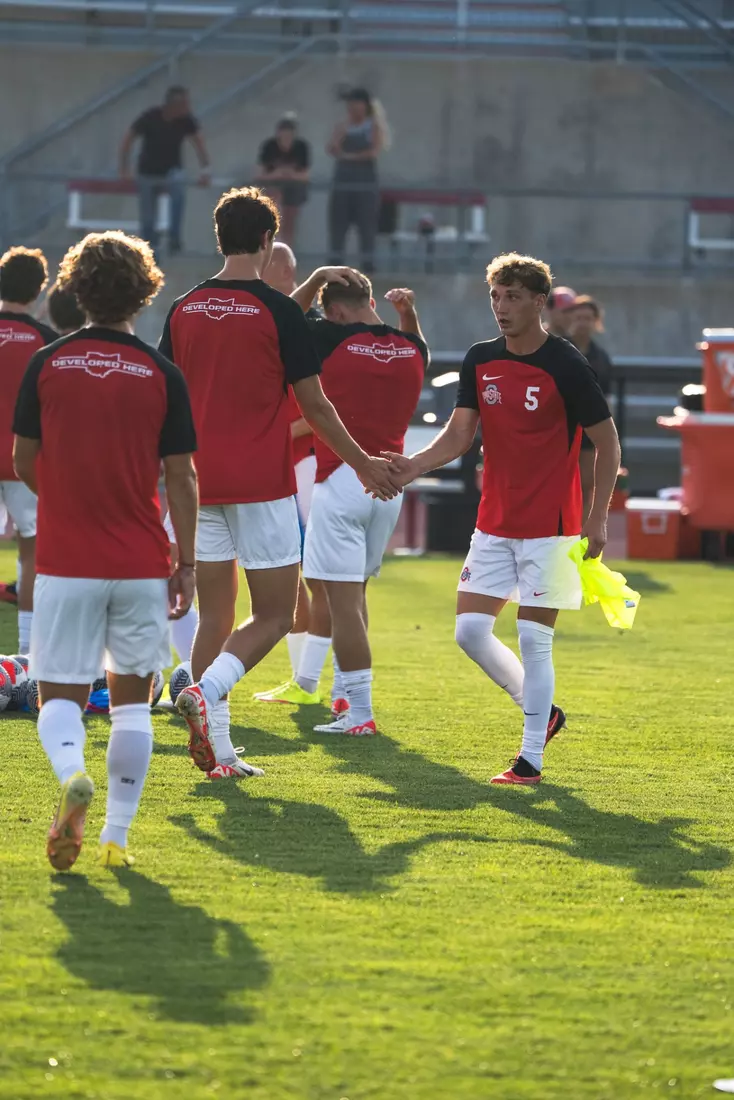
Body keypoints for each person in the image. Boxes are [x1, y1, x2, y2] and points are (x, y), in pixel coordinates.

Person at [159, 187, 399, 778]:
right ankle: (205, 692)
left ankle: (220, 750)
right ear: (269, 240)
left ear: (219, 237)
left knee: (216, 618)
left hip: (198, 481)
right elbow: (315, 406)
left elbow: (165, 400)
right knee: (271, 614)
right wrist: (365, 462)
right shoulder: (280, 312)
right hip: (262, 483)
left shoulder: (184, 308)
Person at [384, 253, 620, 784]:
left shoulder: (565, 363)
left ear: (540, 302)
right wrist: (412, 467)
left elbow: (606, 441)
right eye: (495, 296)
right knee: (470, 632)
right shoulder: (479, 358)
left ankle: (530, 757)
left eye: (513, 297)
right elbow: (460, 434)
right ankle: (545, 712)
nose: (501, 307)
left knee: (534, 640)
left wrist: (597, 518)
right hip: (494, 520)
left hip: (553, 526)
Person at [13, 230, 198, 870]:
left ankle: (72, 774)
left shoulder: (47, 363)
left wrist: (67, 499)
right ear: (144, 293)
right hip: (141, 560)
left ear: (77, 290)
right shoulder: (161, 374)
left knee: (58, 697)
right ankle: (117, 838)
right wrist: (188, 564)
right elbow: (182, 477)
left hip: (66, 559)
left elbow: (22, 460)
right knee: (131, 704)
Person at [259, 269, 427, 735]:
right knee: (354, 595)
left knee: (342, 603)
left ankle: (360, 712)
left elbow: (278, 319)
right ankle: (341, 695)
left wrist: (312, 279)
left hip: (343, 479)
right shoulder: (412, 348)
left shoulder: (328, 339)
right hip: (390, 486)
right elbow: (415, 344)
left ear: (332, 311)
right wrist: (408, 314)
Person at [0, 246, 56, 652]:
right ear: (40, 289)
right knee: (32, 551)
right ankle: (25, 653)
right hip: (25, 458)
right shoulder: (48, 342)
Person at [119, 86, 211, 255]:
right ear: (174, 106)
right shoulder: (150, 117)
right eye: (185, 104)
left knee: (178, 187)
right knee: (148, 216)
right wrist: (124, 169)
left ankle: (174, 236)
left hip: (171, 170)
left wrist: (205, 171)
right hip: (148, 171)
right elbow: (128, 139)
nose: (189, 108)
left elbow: (199, 144)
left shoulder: (186, 121)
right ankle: (149, 247)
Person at [327, 88, 390, 274]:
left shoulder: (373, 126)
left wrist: (351, 156)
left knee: (367, 225)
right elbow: (332, 148)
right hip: (342, 181)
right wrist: (342, 134)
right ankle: (334, 265)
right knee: (338, 223)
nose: (353, 108)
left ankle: (368, 265)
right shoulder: (343, 125)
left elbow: (373, 151)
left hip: (365, 182)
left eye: (357, 104)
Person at [567, 294, 615, 520]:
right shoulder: (561, 350)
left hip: (589, 426)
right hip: (560, 425)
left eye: (587, 318)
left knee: (586, 483)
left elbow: (605, 396)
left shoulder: (601, 357)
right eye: (578, 318)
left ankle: (581, 531)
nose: (582, 323)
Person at [256, 115, 311, 246]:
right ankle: (270, 250)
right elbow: (259, 174)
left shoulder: (301, 147)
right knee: (271, 221)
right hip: (273, 187)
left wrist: (289, 174)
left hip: (294, 189)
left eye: (289, 136)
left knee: (289, 222)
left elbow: (306, 176)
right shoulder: (269, 147)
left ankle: (286, 251)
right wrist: (278, 174)